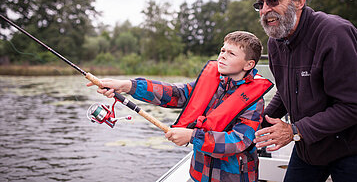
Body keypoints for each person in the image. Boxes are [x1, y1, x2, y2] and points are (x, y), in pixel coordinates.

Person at [87, 31, 274, 182]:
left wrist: (192, 135)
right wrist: (128, 85)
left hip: (232, 178)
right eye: (222, 51)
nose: (222, 57)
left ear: (249, 64)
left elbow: (238, 140)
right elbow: (173, 93)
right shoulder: (211, 83)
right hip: (199, 173)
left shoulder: (254, 101)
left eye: (231, 53)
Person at [252, 0, 357, 181]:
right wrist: (258, 121)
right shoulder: (275, 42)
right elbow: (285, 92)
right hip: (308, 149)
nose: (265, 10)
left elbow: (353, 105)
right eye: (260, 4)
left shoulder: (335, 34)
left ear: (299, 0)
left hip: (350, 148)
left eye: (273, 0)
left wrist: (295, 130)